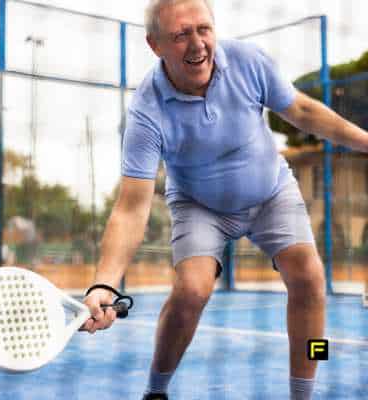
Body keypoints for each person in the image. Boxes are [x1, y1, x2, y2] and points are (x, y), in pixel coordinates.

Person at [80, 1, 368, 399]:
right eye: (181, 35)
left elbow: (302, 110)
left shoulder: (249, 61)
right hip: (200, 206)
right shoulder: (146, 111)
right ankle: (156, 390)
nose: (197, 44)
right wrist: (105, 285)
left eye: (204, 29)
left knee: (310, 278)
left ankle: (304, 391)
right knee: (192, 291)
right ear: (155, 44)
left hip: (271, 192)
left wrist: (366, 141)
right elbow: (131, 207)